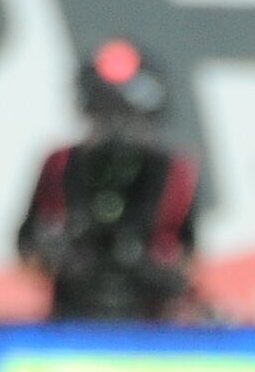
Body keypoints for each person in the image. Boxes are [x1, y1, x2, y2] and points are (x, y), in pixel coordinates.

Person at [15, 39, 203, 323]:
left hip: (150, 318)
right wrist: (58, 249)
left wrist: (148, 260)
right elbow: (27, 245)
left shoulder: (172, 172)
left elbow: (185, 254)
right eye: (105, 116)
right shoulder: (61, 165)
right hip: (71, 314)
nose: (116, 129)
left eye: (127, 119)